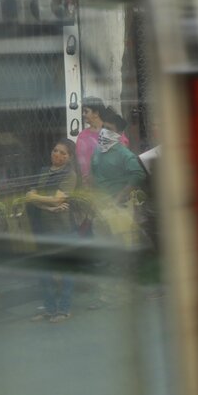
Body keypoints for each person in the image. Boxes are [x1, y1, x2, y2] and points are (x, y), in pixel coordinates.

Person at [26, 139, 79, 322]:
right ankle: (49, 308)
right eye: (55, 150)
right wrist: (48, 206)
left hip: (63, 229)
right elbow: (29, 197)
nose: (57, 155)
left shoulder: (70, 175)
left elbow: (57, 200)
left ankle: (64, 309)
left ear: (70, 157)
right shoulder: (43, 172)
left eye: (63, 153)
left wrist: (38, 198)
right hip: (42, 227)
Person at [75, 97, 128, 183]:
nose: (83, 114)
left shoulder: (111, 129)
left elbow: (123, 150)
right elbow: (80, 161)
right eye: (83, 112)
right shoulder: (82, 135)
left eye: (86, 111)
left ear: (96, 113)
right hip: (88, 182)